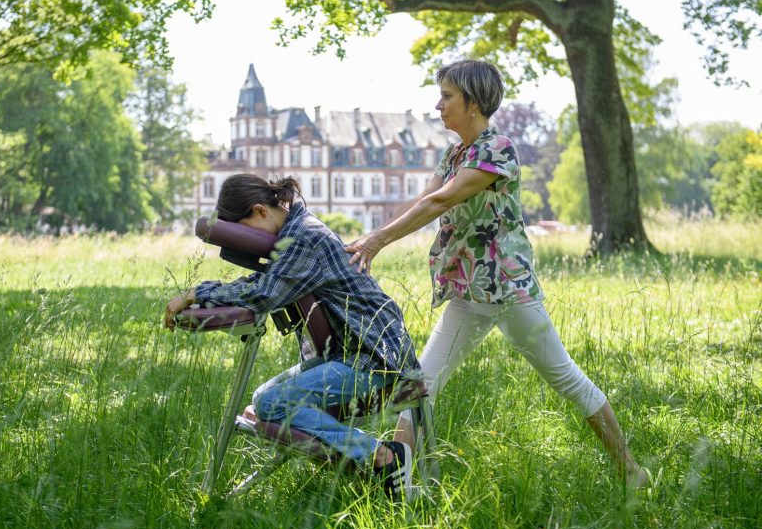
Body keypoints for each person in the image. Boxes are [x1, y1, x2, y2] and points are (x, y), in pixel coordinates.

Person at [345, 59, 648, 487]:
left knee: (565, 377)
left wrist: (378, 242)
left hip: (506, 290)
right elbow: (420, 202)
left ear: (473, 102)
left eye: (447, 96)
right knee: (420, 384)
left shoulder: (496, 148)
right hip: (469, 291)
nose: (438, 105)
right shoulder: (454, 154)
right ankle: (400, 482)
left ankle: (631, 472)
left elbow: (440, 204)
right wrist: (368, 237)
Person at [164, 174, 421, 500]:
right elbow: (263, 286)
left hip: (375, 358)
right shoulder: (295, 233)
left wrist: (197, 292)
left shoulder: (304, 238)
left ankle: (383, 457)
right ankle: (366, 466)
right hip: (356, 354)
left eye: (244, 232)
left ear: (260, 211)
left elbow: (262, 295)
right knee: (262, 400)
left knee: (273, 403)